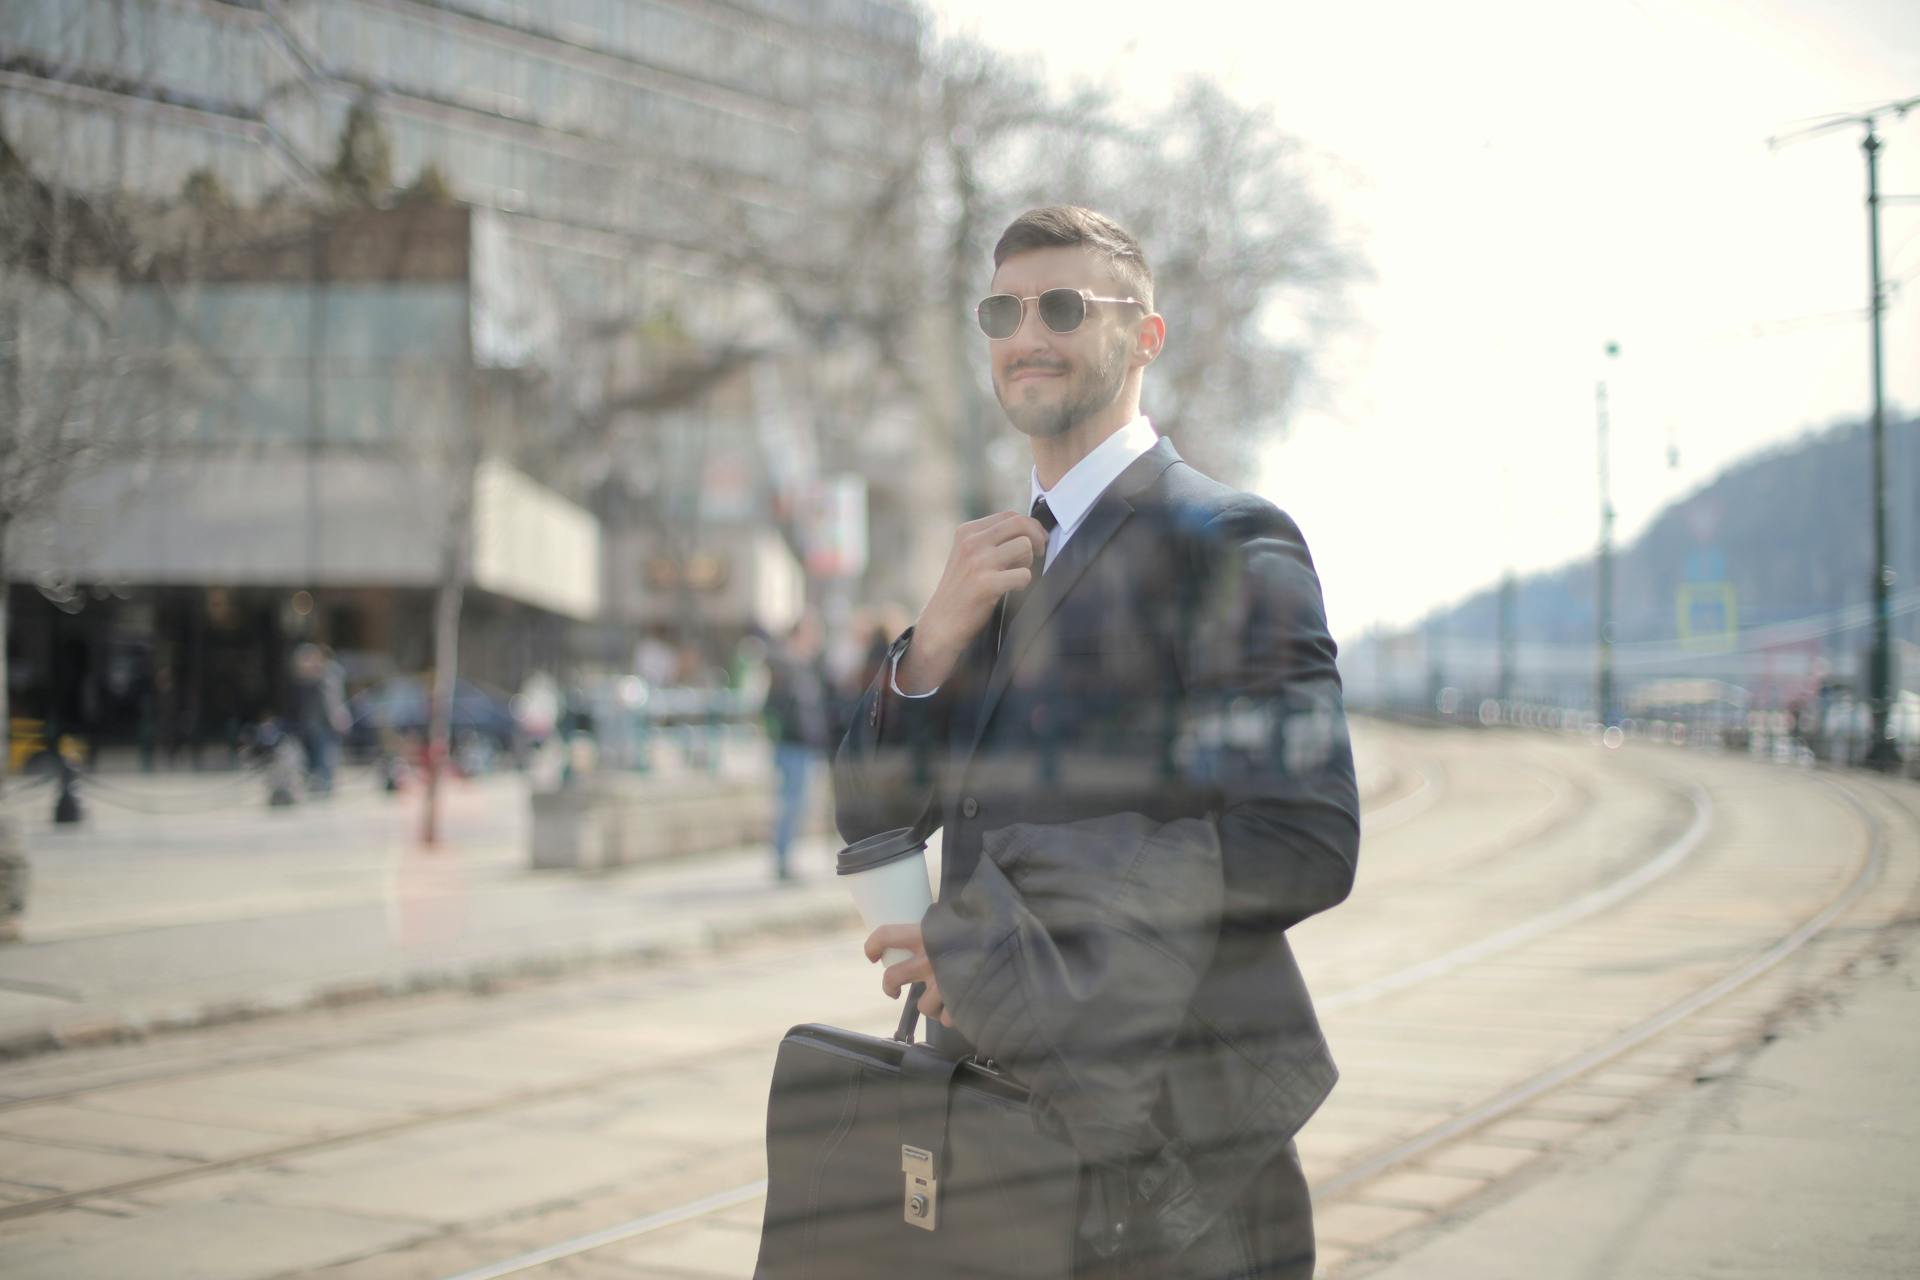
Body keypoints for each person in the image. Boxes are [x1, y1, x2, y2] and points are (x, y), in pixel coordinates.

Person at [833, 207, 1360, 1278]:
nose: (1029, 333)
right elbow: (870, 814)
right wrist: (929, 643)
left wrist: (991, 952)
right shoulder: (992, 562)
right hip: (996, 1129)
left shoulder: (1232, 541)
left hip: (1172, 1164)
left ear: (1147, 337)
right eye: (1004, 310)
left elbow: (1303, 840)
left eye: (1065, 306)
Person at [762, 614, 832, 883]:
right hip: (791, 745)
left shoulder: (807, 667)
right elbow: (773, 708)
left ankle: (786, 857)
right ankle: (782, 859)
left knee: (799, 804)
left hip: (805, 745)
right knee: (791, 803)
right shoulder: (785, 666)